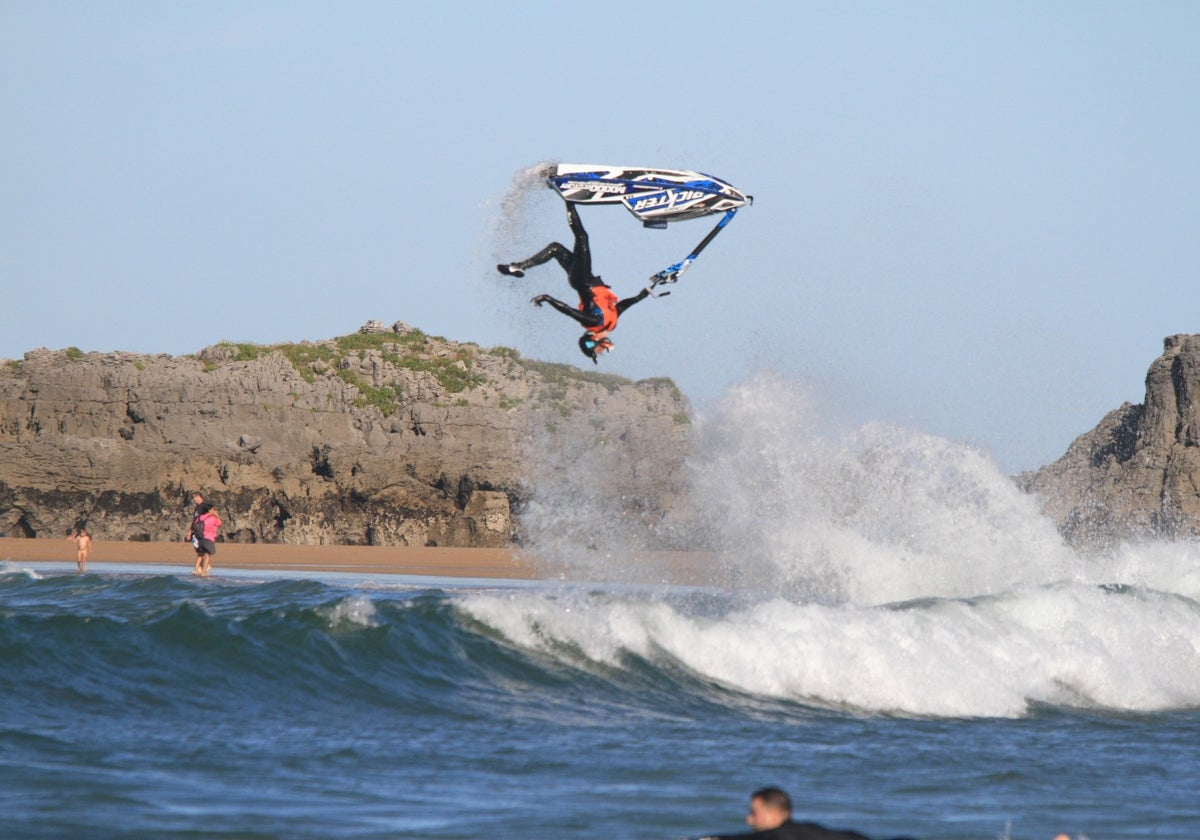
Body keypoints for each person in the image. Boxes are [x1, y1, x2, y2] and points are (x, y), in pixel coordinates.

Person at [498, 201, 659, 364]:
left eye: (598, 351)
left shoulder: (592, 321)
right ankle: (518, 267)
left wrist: (547, 298)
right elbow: (622, 306)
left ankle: (569, 201)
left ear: (593, 342)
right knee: (556, 249)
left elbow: (569, 311)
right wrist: (641, 296)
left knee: (582, 237)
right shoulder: (609, 325)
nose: (603, 351)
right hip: (583, 277)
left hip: (581, 279)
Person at [697, 788, 885, 840]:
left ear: (773, 813)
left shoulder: (781, 834)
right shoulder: (808, 830)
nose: (749, 819)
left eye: (754, 812)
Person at [192, 502, 221, 577]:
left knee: (200, 554)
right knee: (207, 555)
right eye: (213, 509)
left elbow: (194, 526)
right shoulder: (212, 518)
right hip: (208, 538)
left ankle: (196, 570)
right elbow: (219, 523)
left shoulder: (199, 517)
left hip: (199, 538)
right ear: (209, 510)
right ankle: (203, 572)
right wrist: (217, 515)